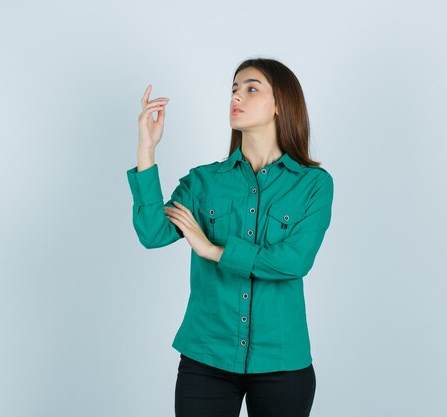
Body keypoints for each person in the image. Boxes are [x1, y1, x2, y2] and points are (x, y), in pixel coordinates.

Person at [126, 58, 334, 417]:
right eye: (234, 89)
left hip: (282, 361)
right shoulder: (205, 181)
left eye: (251, 88)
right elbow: (152, 233)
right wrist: (147, 149)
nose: (237, 97)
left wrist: (212, 250)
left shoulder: (313, 184)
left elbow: (294, 260)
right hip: (206, 357)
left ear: (280, 105)